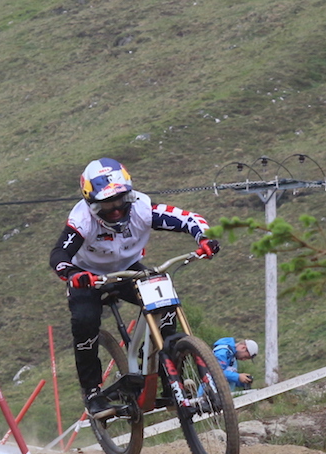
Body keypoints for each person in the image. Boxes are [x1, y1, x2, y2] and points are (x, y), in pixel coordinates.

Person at [50, 158, 217, 412]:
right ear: (91, 204)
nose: (116, 210)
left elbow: (188, 218)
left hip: (128, 269)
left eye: (121, 201)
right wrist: (72, 273)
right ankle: (92, 392)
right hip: (87, 276)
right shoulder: (81, 219)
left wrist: (204, 238)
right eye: (107, 205)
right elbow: (58, 255)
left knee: (166, 305)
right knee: (85, 323)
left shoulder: (142, 208)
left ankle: (168, 378)